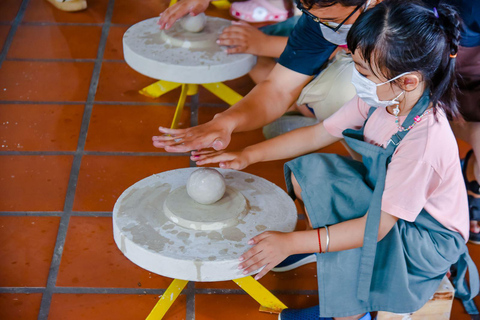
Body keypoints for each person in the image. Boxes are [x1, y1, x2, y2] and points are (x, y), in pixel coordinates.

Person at [186, 1, 479, 319]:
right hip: (391, 210)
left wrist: (292, 242)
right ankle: (321, 254)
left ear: (407, 80)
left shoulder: (423, 144)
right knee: (310, 174)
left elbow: (376, 227)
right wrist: (247, 155)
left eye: (364, 72)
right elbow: (318, 134)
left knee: (352, 231)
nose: (358, 78)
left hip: (424, 239)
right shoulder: (386, 100)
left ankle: (349, 313)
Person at [154, 0, 373, 153]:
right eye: (305, 9)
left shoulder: (400, 25)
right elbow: (279, 89)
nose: (318, 21)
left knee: (345, 95)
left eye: (330, 18)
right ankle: (323, 124)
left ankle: (331, 128)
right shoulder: (320, 19)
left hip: (397, 107)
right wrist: (225, 122)